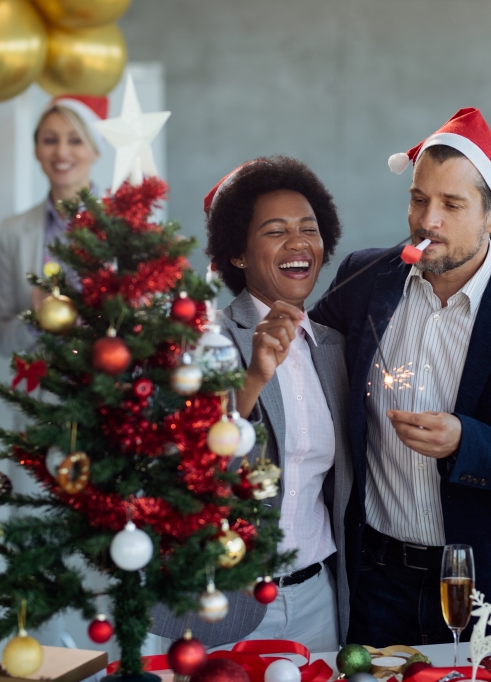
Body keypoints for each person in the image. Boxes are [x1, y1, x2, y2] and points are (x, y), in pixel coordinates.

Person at [310, 108, 491, 649]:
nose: (427, 220)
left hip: (490, 583)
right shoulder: (365, 279)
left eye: (451, 204)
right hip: (375, 582)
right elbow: (302, 359)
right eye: (418, 198)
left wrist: (467, 441)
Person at [150, 157, 353, 651]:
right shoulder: (200, 340)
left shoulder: (334, 350)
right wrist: (254, 377)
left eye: (309, 228)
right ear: (237, 254)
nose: (298, 242)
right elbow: (180, 465)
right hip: (222, 603)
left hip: (317, 599)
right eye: (275, 231)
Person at [0, 94, 106, 357]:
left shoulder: (124, 226)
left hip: (110, 389)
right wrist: (35, 319)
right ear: (36, 150)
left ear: (96, 151)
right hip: (41, 391)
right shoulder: (14, 232)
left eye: (75, 140)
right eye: (50, 140)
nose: (62, 152)